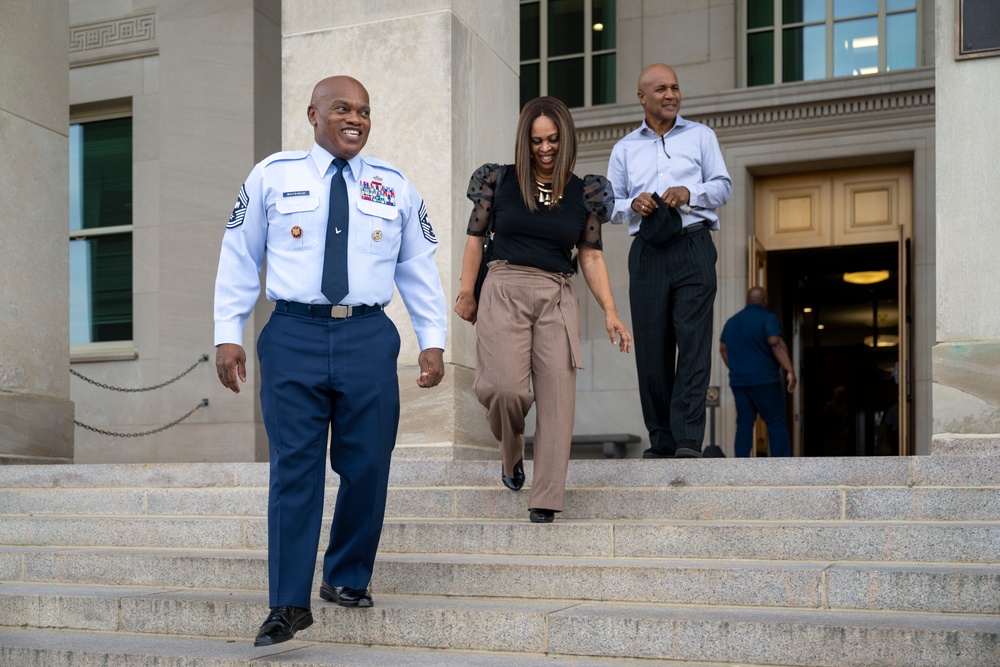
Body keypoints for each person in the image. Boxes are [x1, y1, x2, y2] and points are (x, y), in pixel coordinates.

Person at [213, 76, 447, 647]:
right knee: (295, 469)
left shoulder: (394, 186)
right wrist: (228, 332)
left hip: (368, 335)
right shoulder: (274, 175)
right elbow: (240, 255)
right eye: (343, 108)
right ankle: (287, 603)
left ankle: (344, 577)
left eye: (365, 111)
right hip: (292, 332)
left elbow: (417, 264)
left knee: (368, 464)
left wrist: (432, 338)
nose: (356, 119)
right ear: (313, 113)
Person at [455, 96, 631, 524]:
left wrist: (610, 310)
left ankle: (546, 497)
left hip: (555, 293)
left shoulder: (584, 193)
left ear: (566, 139)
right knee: (503, 389)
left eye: (553, 139)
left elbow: (589, 256)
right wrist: (466, 291)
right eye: (536, 141)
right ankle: (510, 451)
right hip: (503, 287)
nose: (545, 148)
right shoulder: (499, 180)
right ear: (525, 141)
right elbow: (476, 239)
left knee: (556, 398)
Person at [607, 63, 732, 459]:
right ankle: (661, 437)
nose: (671, 95)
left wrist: (689, 191)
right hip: (647, 253)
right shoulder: (624, 148)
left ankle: (688, 439)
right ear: (642, 98)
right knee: (652, 347)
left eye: (675, 87)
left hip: (693, 245)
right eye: (661, 88)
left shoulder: (701, 136)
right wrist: (634, 202)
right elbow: (610, 205)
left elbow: (723, 186)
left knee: (694, 344)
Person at [719, 286, 796, 457]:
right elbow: (774, 341)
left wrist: (736, 368)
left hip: (739, 381)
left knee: (744, 423)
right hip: (765, 380)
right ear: (765, 300)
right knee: (775, 421)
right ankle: (782, 464)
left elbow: (723, 348)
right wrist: (789, 369)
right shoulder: (767, 318)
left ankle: (741, 464)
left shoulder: (732, 322)